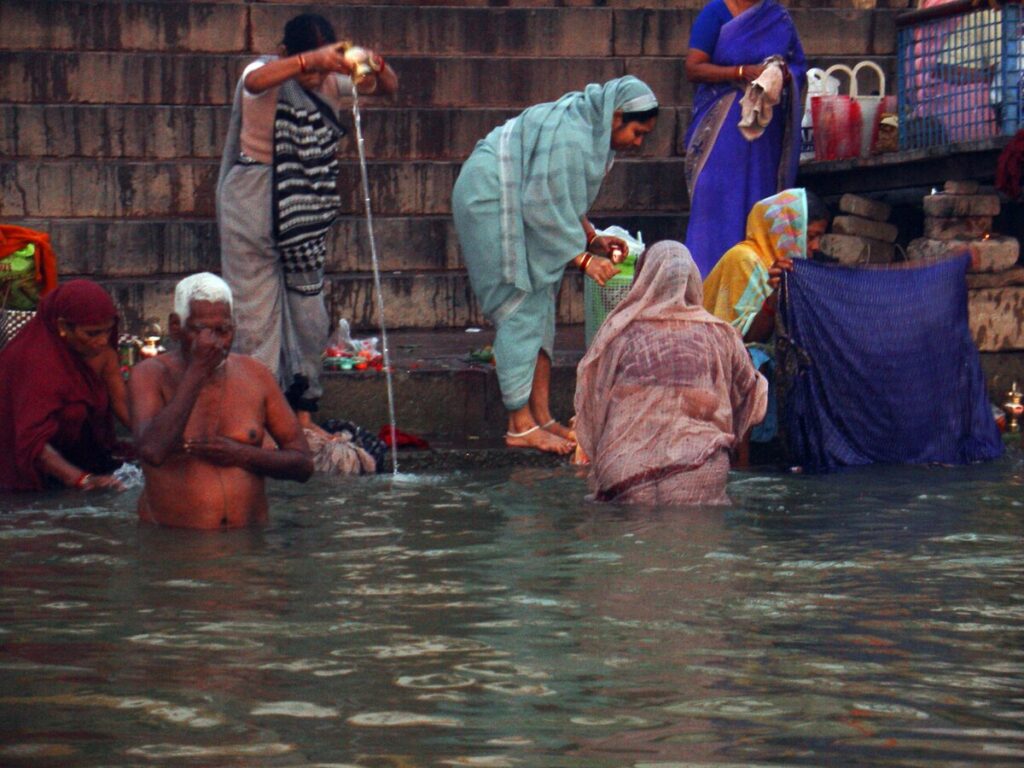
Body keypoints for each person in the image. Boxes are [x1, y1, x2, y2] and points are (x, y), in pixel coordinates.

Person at [452, 76, 659, 454]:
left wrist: (592, 237)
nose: (638, 143)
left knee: (542, 303)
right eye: (637, 132)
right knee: (521, 302)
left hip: (516, 195)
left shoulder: (589, 130)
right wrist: (583, 260)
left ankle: (542, 417)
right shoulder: (574, 137)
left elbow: (562, 197)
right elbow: (541, 204)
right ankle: (518, 425)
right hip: (490, 197)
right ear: (616, 117)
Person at [216, 13, 398, 437]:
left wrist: (372, 62)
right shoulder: (265, 71)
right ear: (287, 54)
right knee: (254, 318)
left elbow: (389, 88)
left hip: (306, 212)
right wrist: (308, 62)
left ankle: (302, 414)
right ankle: (259, 419)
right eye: (309, 67)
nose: (317, 78)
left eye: (322, 69)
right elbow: (254, 84)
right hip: (253, 202)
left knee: (309, 316)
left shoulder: (333, 81)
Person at [573, 241, 767, 505]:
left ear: (643, 279)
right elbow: (754, 400)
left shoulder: (618, 332)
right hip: (697, 467)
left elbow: (592, 397)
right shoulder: (720, 334)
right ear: (692, 280)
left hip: (624, 470)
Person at [129, 273, 313, 529]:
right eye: (200, 330)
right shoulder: (149, 374)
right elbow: (152, 451)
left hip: (247, 548)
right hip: (175, 549)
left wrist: (242, 454)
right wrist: (197, 371)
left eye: (222, 330)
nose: (212, 342)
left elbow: (303, 464)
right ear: (175, 327)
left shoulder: (256, 375)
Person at [683, 0, 806, 277]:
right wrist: (740, 72)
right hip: (722, 131)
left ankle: (756, 302)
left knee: (757, 205)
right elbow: (694, 67)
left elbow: (798, 67)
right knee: (715, 211)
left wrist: (781, 75)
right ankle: (703, 294)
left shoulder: (778, 18)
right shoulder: (715, 12)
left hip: (764, 136)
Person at [702, 188, 828, 455]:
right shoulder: (745, 259)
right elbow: (741, 338)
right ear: (789, 232)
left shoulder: (791, 269)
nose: (816, 247)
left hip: (765, 364)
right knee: (750, 361)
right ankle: (741, 457)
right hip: (718, 366)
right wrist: (773, 299)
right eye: (812, 236)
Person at [0, 280, 128, 491]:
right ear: (62, 326)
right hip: (22, 474)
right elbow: (32, 441)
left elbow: (126, 409)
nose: (103, 340)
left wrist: (162, 443)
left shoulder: (103, 355)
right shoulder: (32, 359)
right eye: (92, 333)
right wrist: (81, 479)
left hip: (81, 457)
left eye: (108, 331)